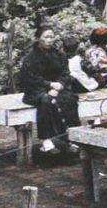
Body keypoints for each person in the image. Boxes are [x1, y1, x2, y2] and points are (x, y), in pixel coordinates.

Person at [16, 26, 82, 157]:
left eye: (51, 37)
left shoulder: (59, 55)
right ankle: (46, 141)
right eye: (46, 37)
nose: (49, 40)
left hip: (57, 88)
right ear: (38, 39)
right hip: (35, 90)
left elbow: (65, 73)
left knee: (70, 98)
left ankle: (71, 137)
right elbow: (30, 79)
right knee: (46, 100)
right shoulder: (30, 58)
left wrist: (60, 85)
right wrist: (49, 85)